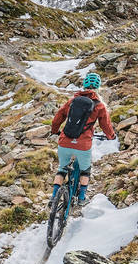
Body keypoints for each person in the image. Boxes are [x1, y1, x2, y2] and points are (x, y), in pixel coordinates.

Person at [49, 72, 116, 208]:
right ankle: (81, 198)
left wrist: (55, 130)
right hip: (83, 144)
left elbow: (58, 116)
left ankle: (53, 197)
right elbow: (106, 125)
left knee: (62, 169)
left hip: (65, 141)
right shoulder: (99, 105)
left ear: (84, 85)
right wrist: (111, 136)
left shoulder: (73, 101)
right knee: (85, 171)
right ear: (98, 87)